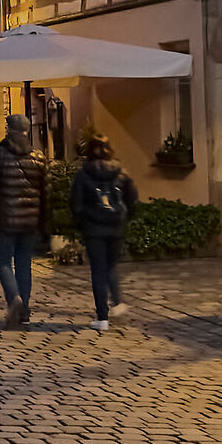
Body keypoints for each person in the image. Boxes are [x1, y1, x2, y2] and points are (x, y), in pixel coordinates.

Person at [0, 114, 50, 330]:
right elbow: (46, 194)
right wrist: (46, 225)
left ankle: (14, 300)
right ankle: (24, 310)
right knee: (24, 264)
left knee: (3, 263)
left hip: (5, 220)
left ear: (11, 131)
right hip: (30, 222)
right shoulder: (39, 157)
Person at [69, 133, 139, 331]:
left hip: (93, 229)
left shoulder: (83, 174)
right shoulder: (121, 171)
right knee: (110, 267)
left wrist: (82, 224)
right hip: (116, 227)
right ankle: (117, 303)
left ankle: (102, 317)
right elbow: (132, 199)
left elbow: (76, 204)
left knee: (98, 271)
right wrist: (124, 219)